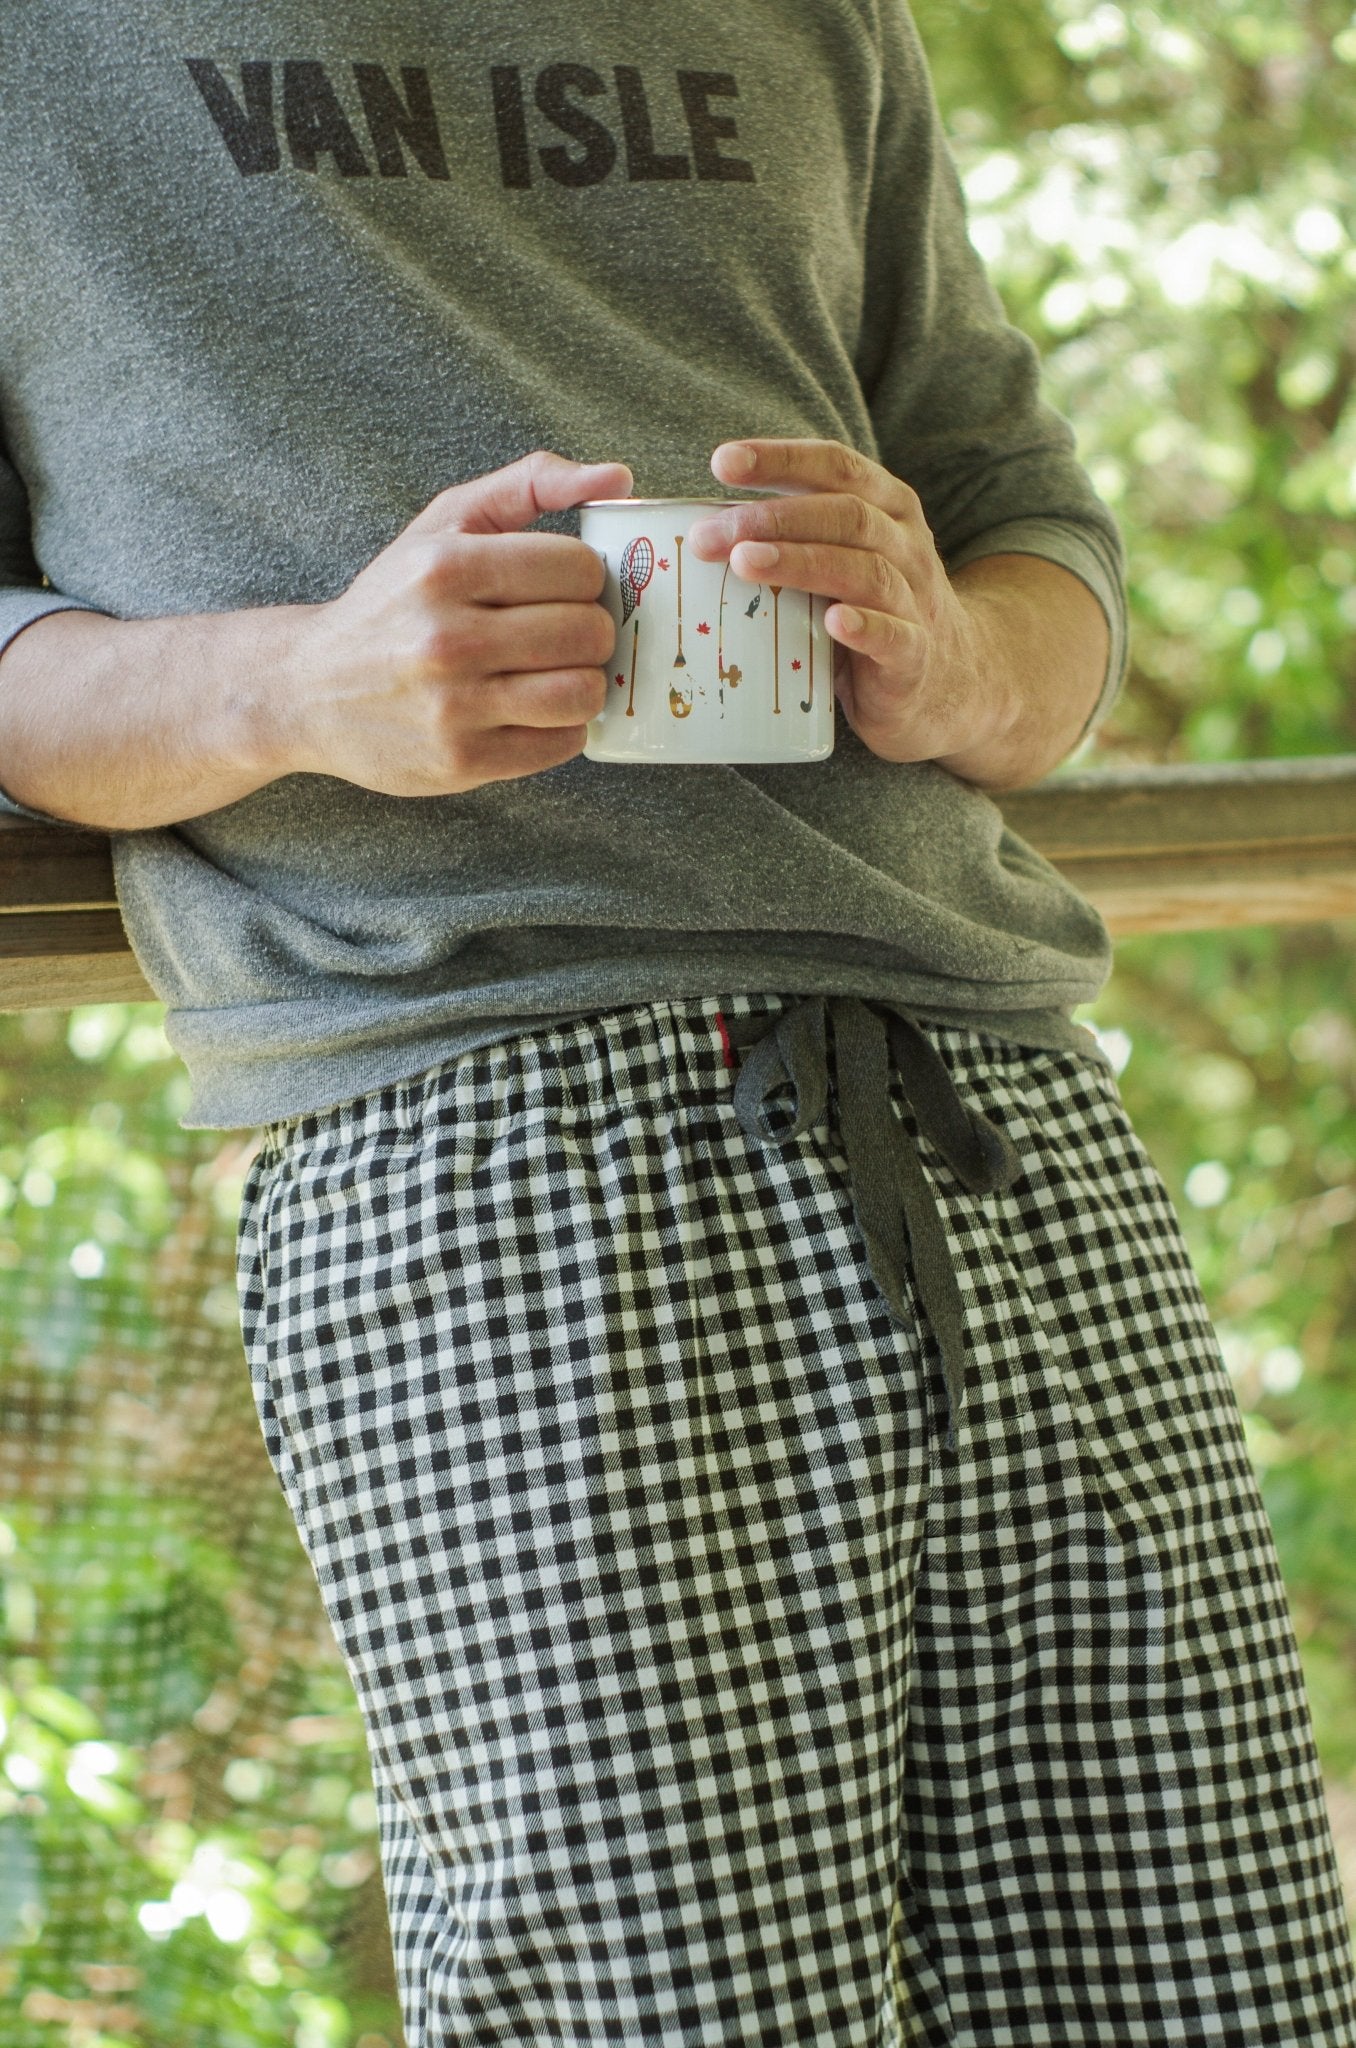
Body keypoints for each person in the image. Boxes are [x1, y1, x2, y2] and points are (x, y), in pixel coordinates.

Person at [2, 7, 1353, 2042]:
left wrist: (959, 653)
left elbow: (1036, 537)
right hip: (483, 1143)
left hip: (1004, 1107)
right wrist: (300, 685)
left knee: (1215, 1991)